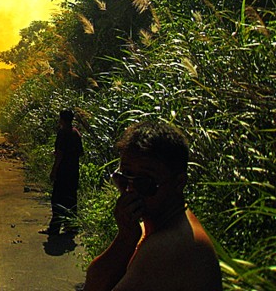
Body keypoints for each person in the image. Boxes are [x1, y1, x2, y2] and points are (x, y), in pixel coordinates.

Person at [84, 120, 222, 291]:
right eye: (125, 177)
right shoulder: (154, 226)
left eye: (145, 182)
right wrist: (126, 237)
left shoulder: (171, 245)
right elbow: (94, 282)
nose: (131, 190)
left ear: (179, 183)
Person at [41, 108, 83, 235]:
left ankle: (55, 228)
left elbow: (60, 154)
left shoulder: (62, 133)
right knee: (71, 199)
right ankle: (71, 226)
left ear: (62, 119)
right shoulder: (76, 133)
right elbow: (81, 153)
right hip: (74, 171)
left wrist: (54, 170)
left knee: (57, 199)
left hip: (63, 171)